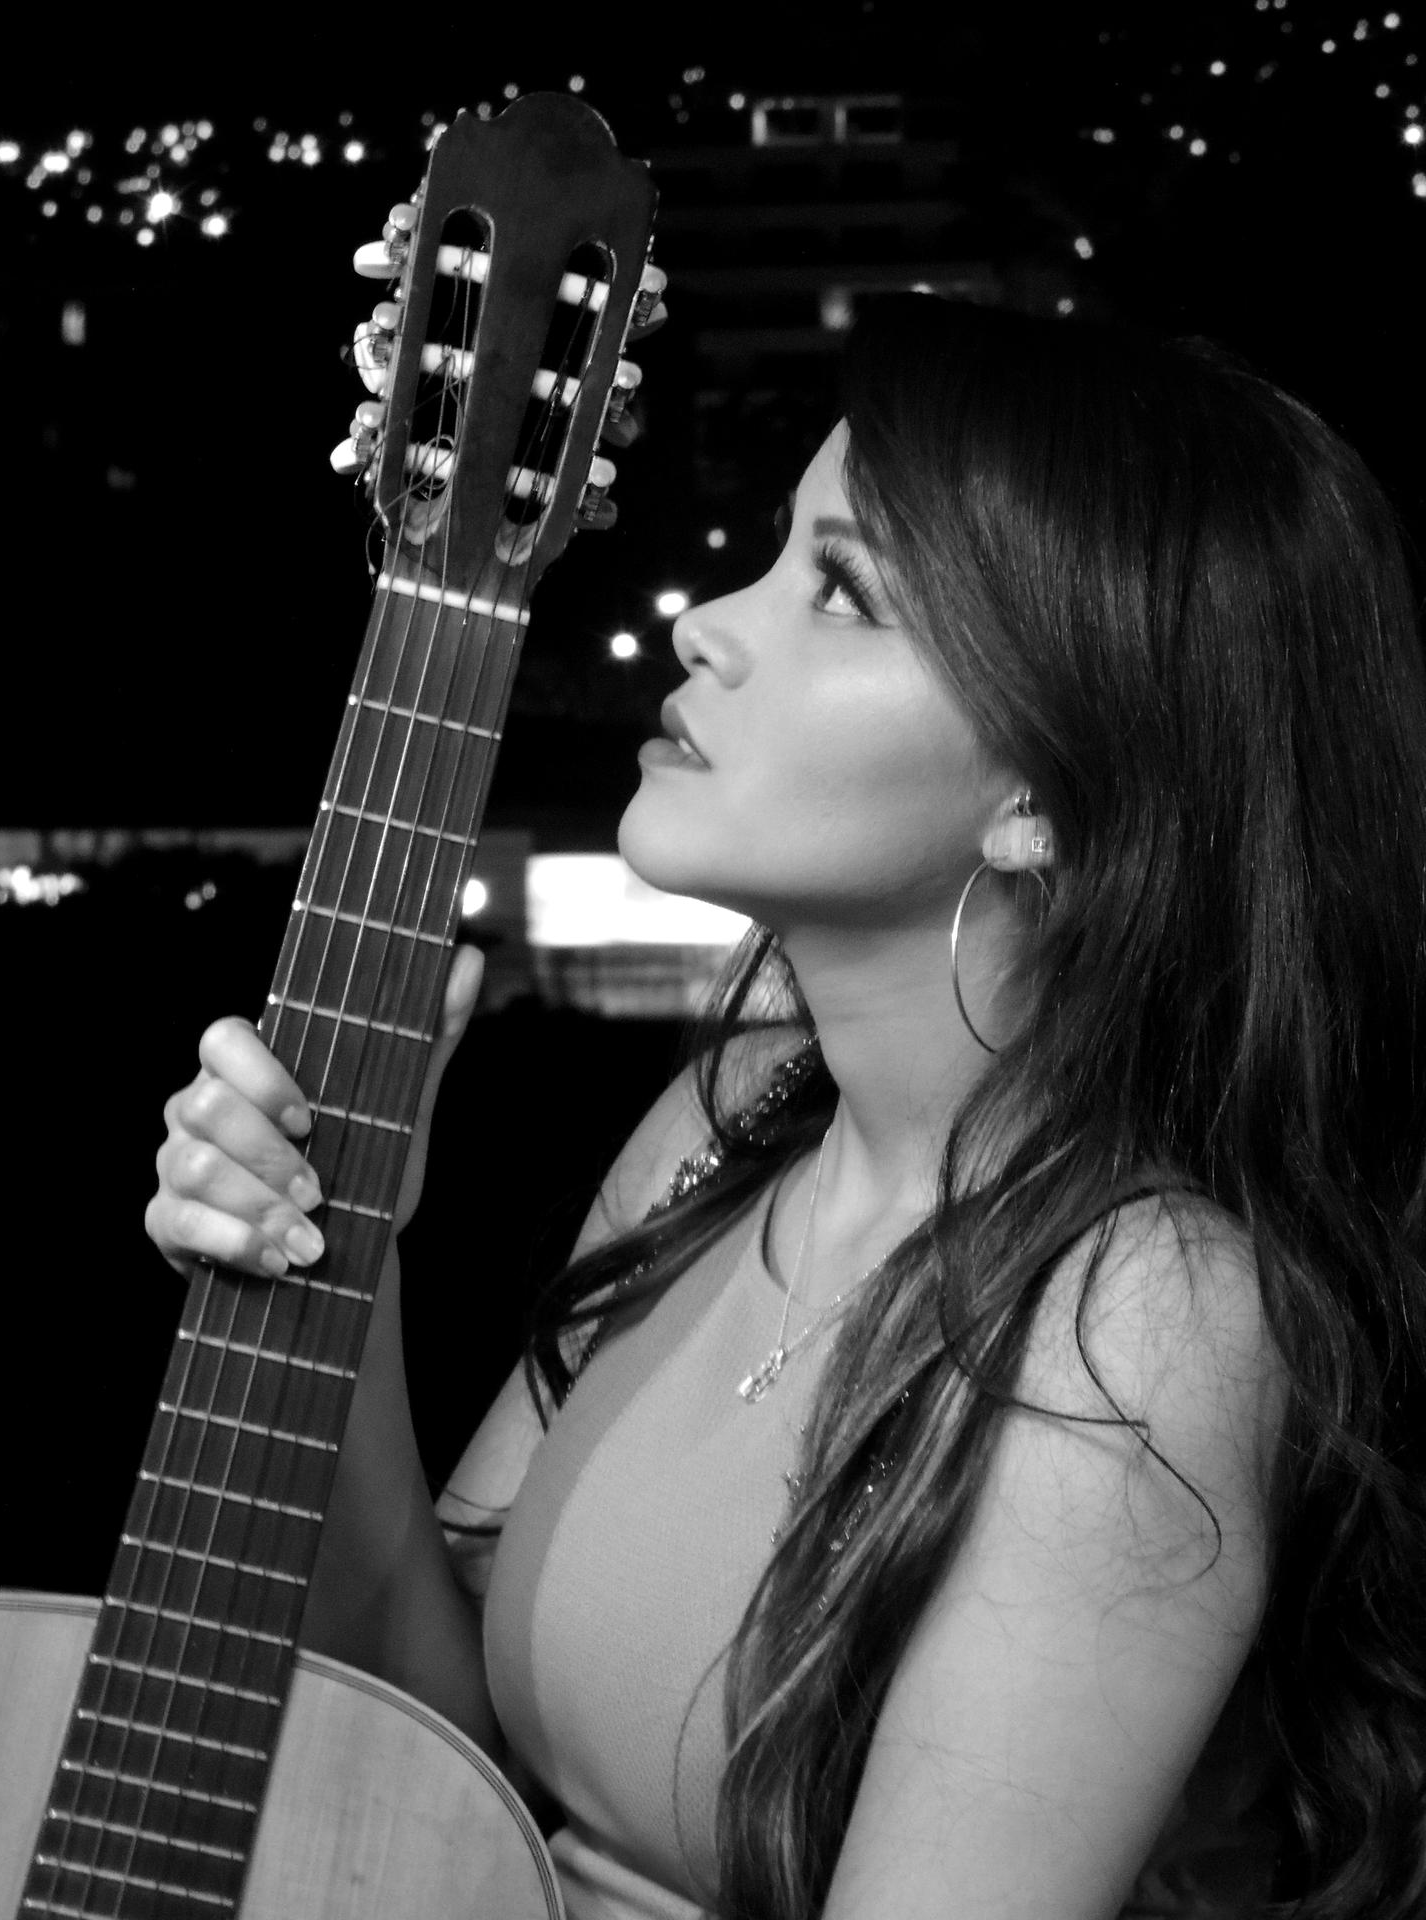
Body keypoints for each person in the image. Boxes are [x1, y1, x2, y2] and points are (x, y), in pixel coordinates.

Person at [145, 295, 1426, 1919]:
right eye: (774, 553)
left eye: (843, 590)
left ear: (1045, 794)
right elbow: (430, 1753)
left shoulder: (1148, 1318)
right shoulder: (729, 1126)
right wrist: (341, 1261)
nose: (704, 624)